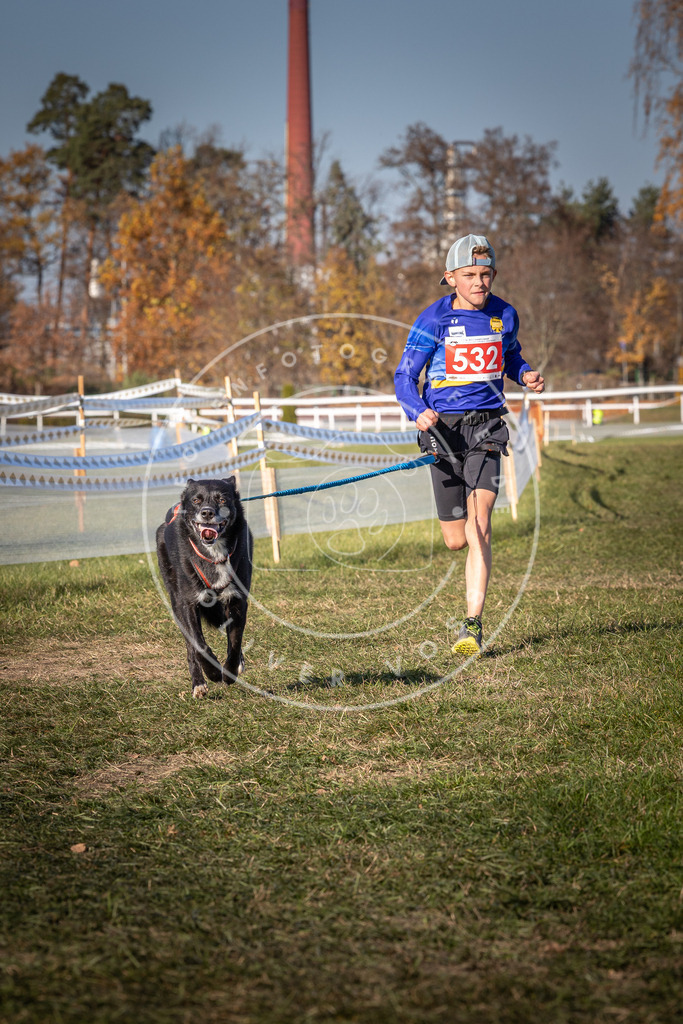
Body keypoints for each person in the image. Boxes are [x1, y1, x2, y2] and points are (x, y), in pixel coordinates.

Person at [394, 233, 545, 656]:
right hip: (442, 431)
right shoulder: (433, 320)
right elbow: (404, 377)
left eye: (486, 274)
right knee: (456, 540)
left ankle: (471, 625)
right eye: (470, 275)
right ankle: (470, 608)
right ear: (450, 278)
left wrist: (525, 373)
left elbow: (510, 355)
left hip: (487, 430)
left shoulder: (504, 314)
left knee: (481, 523)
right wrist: (417, 410)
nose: (480, 282)